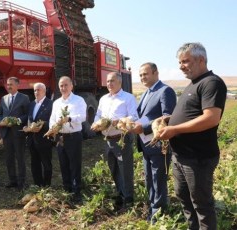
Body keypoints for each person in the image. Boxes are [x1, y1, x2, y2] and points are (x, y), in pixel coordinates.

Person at [158, 42, 227, 230]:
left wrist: (175, 129)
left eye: (185, 61)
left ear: (201, 59)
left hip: (198, 158)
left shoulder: (211, 83)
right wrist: (171, 120)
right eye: (180, 62)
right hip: (181, 156)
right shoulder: (193, 84)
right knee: (184, 199)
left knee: (202, 205)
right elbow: (192, 112)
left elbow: (211, 118)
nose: (181, 66)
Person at [129, 62, 176, 222]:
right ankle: (153, 207)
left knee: (158, 178)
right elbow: (142, 115)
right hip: (145, 144)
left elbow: (168, 117)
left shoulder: (165, 91)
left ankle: (158, 214)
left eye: (145, 74)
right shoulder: (145, 93)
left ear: (156, 73)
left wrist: (145, 127)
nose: (142, 77)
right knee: (149, 178)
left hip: (157, 143)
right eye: (141, 75)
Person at [93, 72, 138, 209]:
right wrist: (95, 124)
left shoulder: (128, 98)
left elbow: (134, 117)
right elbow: (98, 115)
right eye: (107, 81)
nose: (109, 84)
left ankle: (128, 199)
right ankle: (120, 194)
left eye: (112, 81)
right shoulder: (103, 99)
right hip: (107, 140)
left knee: (125, 170)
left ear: (119, 82)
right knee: (113, 169)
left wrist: (118, 122)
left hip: (122, 139)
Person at [49, 76, 87, 202]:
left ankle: (76, 192)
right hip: (60, 137)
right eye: (61, 85)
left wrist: (69, 118)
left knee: (75, 164)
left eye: (66, 85)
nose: (63, 88)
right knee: (63, 163)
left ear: (71, 86)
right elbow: (52, 119)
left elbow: (83, 117)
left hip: (73, 136)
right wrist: (52, 129)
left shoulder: (79, 100)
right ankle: (67, 190)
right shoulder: (56, 102)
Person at [0, 77, 30, 190]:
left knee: (20, 157)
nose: (9, 86)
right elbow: (0, 113)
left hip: (18, 132)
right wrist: (0, 121)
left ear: (18, 85)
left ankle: (21, 182)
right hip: (6, 133)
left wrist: (18, 121)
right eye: (8, 84)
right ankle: (12, 180)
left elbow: (27, 115)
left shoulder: (24, 98)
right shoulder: (3, 98)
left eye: (11, 84)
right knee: (9, 158)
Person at [26, 83, 53, 187]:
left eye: (39, 90)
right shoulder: (31, 104)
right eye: (35, 90)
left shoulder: (50, 104)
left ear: (44, 91)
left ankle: (47, 186)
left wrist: (43, 125)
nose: (36, 92)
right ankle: (38, 184)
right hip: (32, 139)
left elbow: (53, 121)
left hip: (44, 139)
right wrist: (27, 127)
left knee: (46, 164)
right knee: (35, 163)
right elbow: (30, 118)